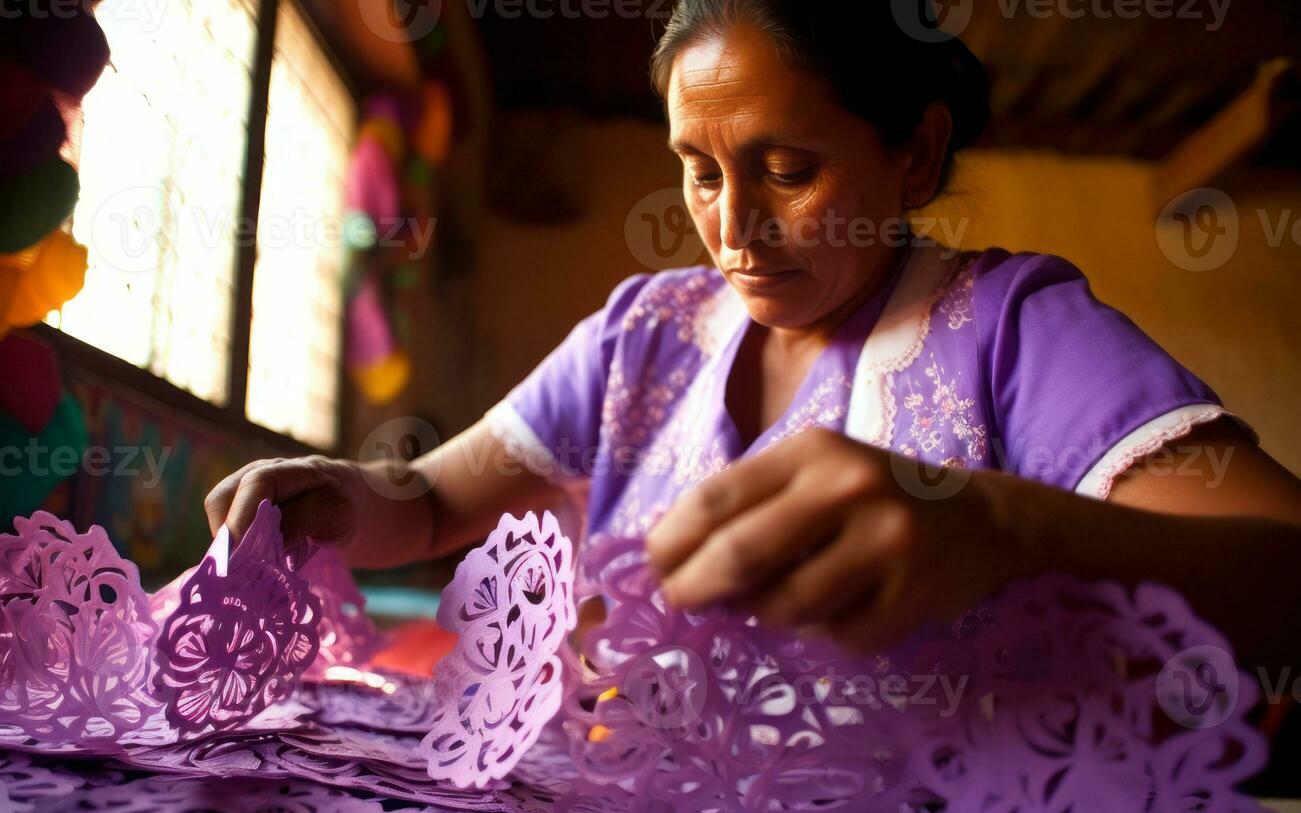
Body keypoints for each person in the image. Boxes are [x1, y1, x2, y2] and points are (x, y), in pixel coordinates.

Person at [206, 2, 1300, 671]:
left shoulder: (1008, 332)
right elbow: (435, 500)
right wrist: (343, 494)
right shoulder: (645, 333)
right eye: (698, 170)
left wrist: (998, 523)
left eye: (786, 171)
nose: (731, 227)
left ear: (913, 157)